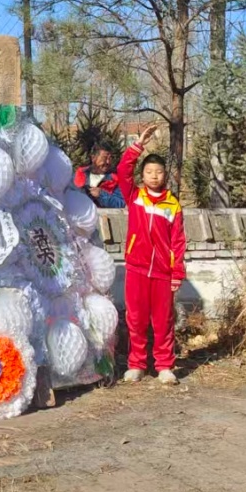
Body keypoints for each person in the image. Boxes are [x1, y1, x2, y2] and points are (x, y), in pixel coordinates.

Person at [116, 123, 186, 385]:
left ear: (165, 175)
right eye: (149, 172)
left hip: (163, 274)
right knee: (135, 319)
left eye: (159, 172)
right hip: (136, 269)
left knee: (163, 321)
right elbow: (123, 171)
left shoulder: (172, 204)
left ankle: (165, 365)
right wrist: (138, 144)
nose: (154, 176)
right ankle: (136, 364)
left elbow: (178, 241)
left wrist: (177, 272)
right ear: (143, 176)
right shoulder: (135, 197)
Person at [74, 146, 125, 210]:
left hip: (105, 218)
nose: (108, 162)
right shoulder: (79, 175)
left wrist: (101, 195)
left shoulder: (115, 179)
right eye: (104, 158)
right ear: (93, 158)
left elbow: (120, 203)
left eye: (110, 158)